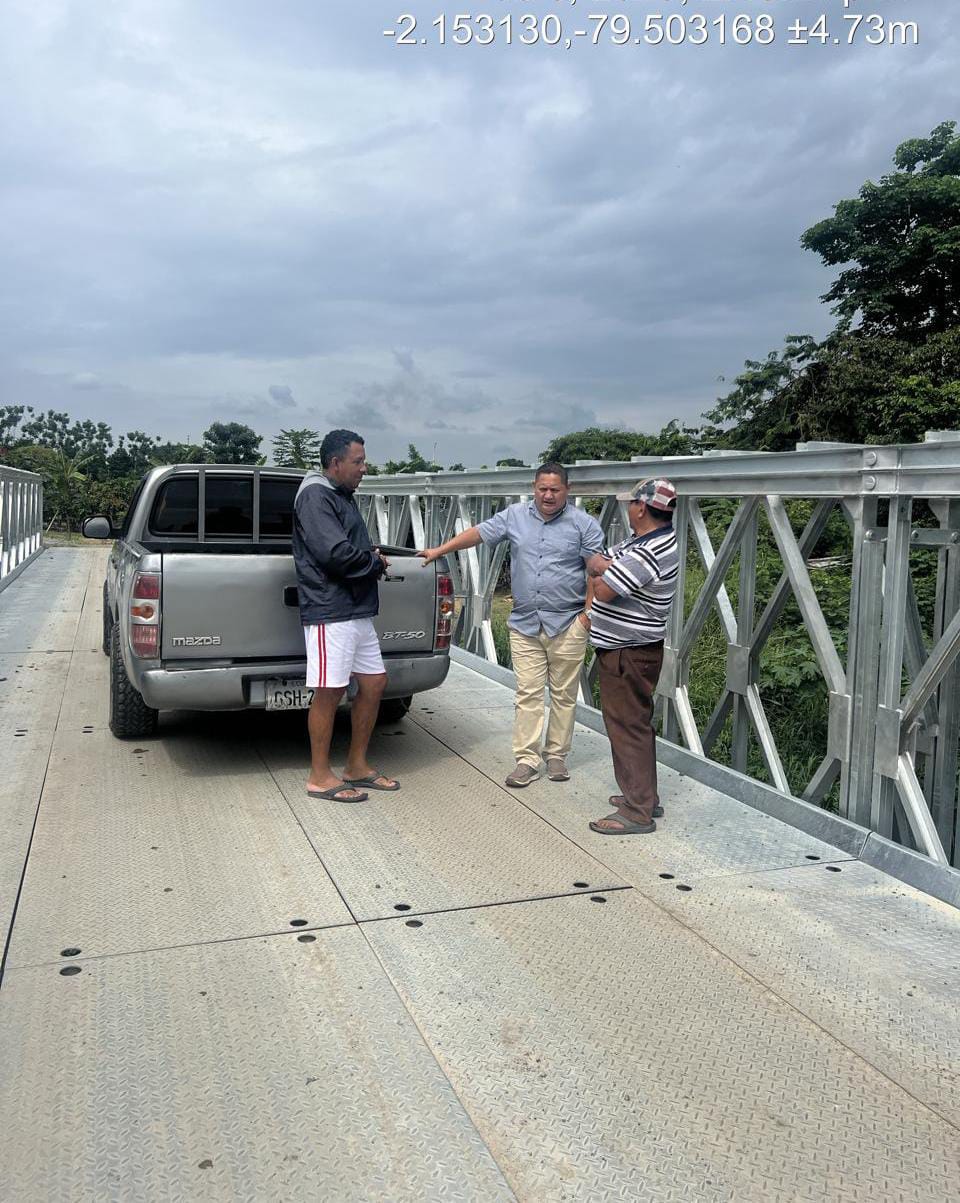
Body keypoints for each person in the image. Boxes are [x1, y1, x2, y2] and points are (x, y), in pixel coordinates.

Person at [419, 463, 603, 786]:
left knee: (564, 695)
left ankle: (557, 755)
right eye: (542, 489)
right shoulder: (515, 516)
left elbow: (596, 571)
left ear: (567, 490)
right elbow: (478, 533)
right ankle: (527, 760)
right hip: (525, 623)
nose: (548, 495)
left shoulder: (584, 524)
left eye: (555, 490)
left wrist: (587, 617)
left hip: (568, 622)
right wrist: (440, 550)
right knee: (528, 693)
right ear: (534, 488)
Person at [292, 429, 399, 803]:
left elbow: (346, 547)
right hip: (331, 610)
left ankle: (356, 766)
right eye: (358, 462)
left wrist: (368, 556)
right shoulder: (315, 495)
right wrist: (374, 562)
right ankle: (320, 776)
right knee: (329, 691)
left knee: (374, 683)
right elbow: (334, 554)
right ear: (335, 463)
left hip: (356, 609)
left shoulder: (340, 495)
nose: (364, 468)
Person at [585, 478, 679, 835]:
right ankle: (643, 797)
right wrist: (606, 568)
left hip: (629, 651)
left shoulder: (648, 551)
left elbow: (603, 589)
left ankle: (638, 811)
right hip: (629, 649)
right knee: (634, 723)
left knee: (627, 727)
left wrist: (603, 571)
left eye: (631, 503)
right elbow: (599, 562)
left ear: (641, 507)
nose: (628, 508)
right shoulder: (641, 542)